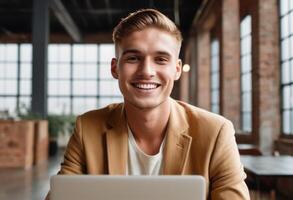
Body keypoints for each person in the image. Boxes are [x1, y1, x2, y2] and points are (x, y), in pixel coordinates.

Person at [46, 8, 250, 200]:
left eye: (161, 59)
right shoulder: (87, 127)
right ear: (115, 68)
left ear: (177, 69)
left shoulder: (216, 132)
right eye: (133, 58)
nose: (146, 71)